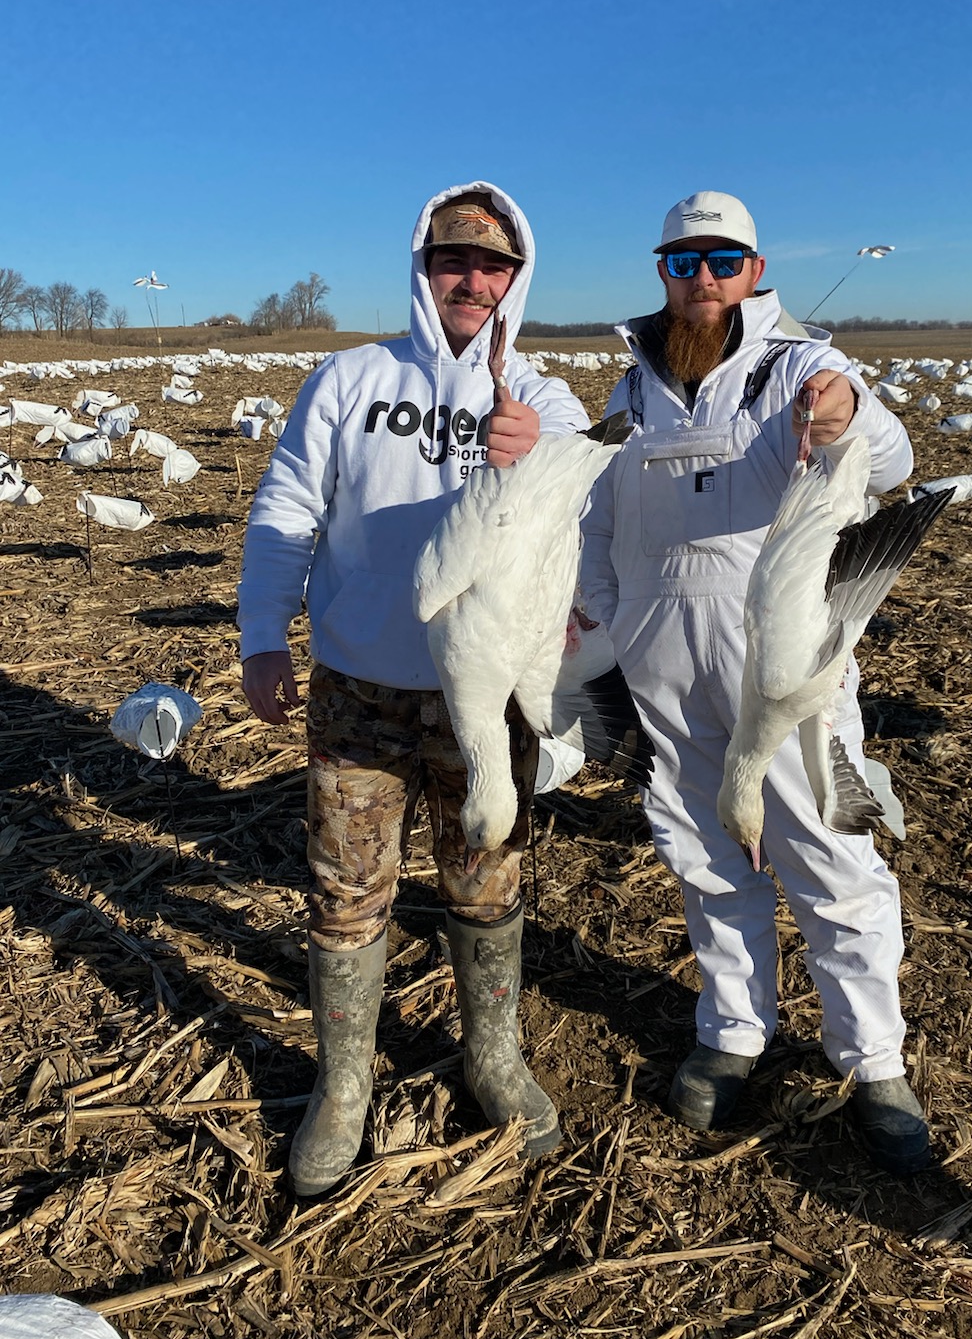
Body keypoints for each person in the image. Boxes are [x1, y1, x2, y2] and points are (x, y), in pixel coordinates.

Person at [238, 183, 589, 1195]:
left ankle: (492, 1056)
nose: (470, 282)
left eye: (492, 267)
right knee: (346, 893)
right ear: (422, 267)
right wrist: (266, 632)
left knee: (489, 877)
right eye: (452, 262)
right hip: (361, 689)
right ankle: (343, 1087)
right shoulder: (349, 380)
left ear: (516, 278)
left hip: (486, 702)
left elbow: (594, 498)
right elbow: (289, 506)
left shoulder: (545, 398)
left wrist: (542, 455)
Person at [579, 191, 931, 1174]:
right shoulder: (632, 389)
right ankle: (735, 1028)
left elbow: (891, 456)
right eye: (684, 261)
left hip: (786, 677)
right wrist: (607, 617)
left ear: (754, 267)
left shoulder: (801, 365)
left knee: (834, 860)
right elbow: (596, 518)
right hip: (666, 671)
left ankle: (874, 1063)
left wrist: (848, 410)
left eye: (722, 261)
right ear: (661, 270)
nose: (703, 280)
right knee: (706, 863)